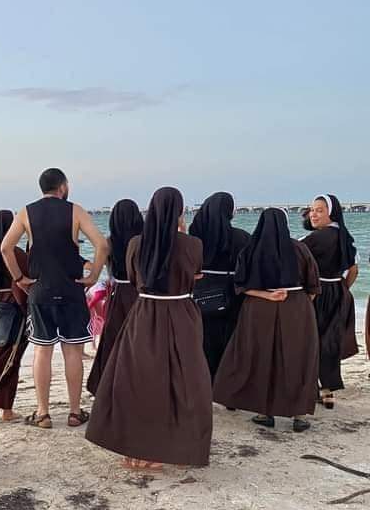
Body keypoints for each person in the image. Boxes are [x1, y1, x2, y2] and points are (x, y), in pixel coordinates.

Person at [86, 187, 212, 470]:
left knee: (140, 379)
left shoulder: (136, 244)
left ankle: (137, 446)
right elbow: (194, 276)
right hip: (181, 314)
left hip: (145, 313)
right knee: (187, 381)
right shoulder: (193, 244)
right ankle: (175, 446)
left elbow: (134, 278)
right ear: (180, 211)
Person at [0, 168, 109, 429]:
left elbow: (5, 247)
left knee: (42, 351)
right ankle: (74, 412)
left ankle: (43, 413)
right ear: (63, 187)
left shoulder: (26, 212)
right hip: (71, 290)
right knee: (72, 351)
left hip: (41, 291)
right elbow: (102, 245)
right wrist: (94, 274)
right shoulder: (75, 211)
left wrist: (19, 278)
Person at [213, 208, 321, 432]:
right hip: (296, 307)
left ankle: (264, 412)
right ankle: (299, 415)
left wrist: (267, 296)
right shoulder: (300, 248)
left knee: (260, 357)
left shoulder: (250, 250)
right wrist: (299, 304)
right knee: (297, 358)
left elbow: (240, 285)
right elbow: (313, 285)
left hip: (258, 309)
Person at [302, 194, 359, 408]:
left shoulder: (316, 238)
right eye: (312, 210)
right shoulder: (345, 235)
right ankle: (328, 391)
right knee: (330, 342)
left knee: (311, 340)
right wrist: (343, 289)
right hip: (338, 291)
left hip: (317, 292)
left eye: (319, 210)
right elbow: (353, 270)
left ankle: (310, 388)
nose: (313, 214)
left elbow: (296, 258)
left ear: (331, 213)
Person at [188, 193, 251, 381]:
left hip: (201, 297)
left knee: (203, 343)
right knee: (231, 344)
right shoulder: (242, 237)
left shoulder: (195, 238)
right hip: (232, 297)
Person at [87, 199, 144, 396]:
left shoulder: (109, 242)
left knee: (113, 339)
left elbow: (100, 267)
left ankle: (109, 382)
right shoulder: (144, 241)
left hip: (118, 293)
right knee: (140, 339)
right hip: (141, 294)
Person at [0, 210, 29, 422]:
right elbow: (28, 279)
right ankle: (6, 410)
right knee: (11, 358)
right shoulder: (16, 253)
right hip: (14, 308)